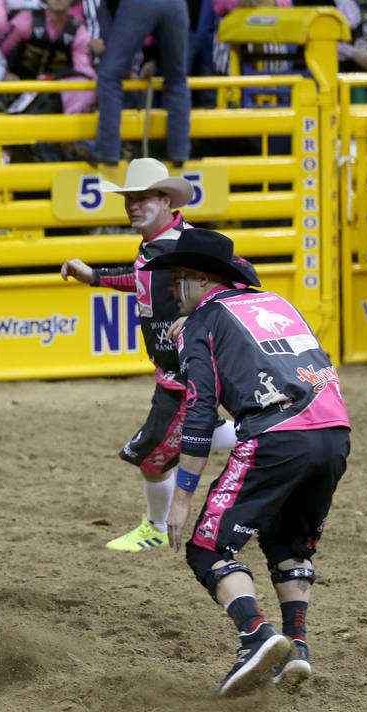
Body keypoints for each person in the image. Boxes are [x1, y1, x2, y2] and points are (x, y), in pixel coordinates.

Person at [142, 227, 351, 696]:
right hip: (334, 431)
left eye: (177, 280)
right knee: (289, 542)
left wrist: (181, 500)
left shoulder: (201, 323)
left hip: (277, 437)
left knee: (206, 548)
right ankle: (296, 647)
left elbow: (199, 413)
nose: (172, 292)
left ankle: (255, 634)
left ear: (200, 278)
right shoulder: (278, 302)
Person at [60, 158, 238, 551]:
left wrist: (198, 316)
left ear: (166, 200)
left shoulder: (189, 245)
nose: (133, 207)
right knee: (174, 444)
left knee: (151, 459)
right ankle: (263, 432)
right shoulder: (156, 245)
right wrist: (94, 276)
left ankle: (156, 527)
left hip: (186, 374)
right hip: (175, 372)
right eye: (129, 200)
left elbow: (238, 278)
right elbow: (142, 278)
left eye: (142, 199)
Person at [83, 0, 190, 165]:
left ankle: (107, 151)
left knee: (110, 76)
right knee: (177, 80)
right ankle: (180, 152)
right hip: (177, 4)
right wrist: (157, 58)